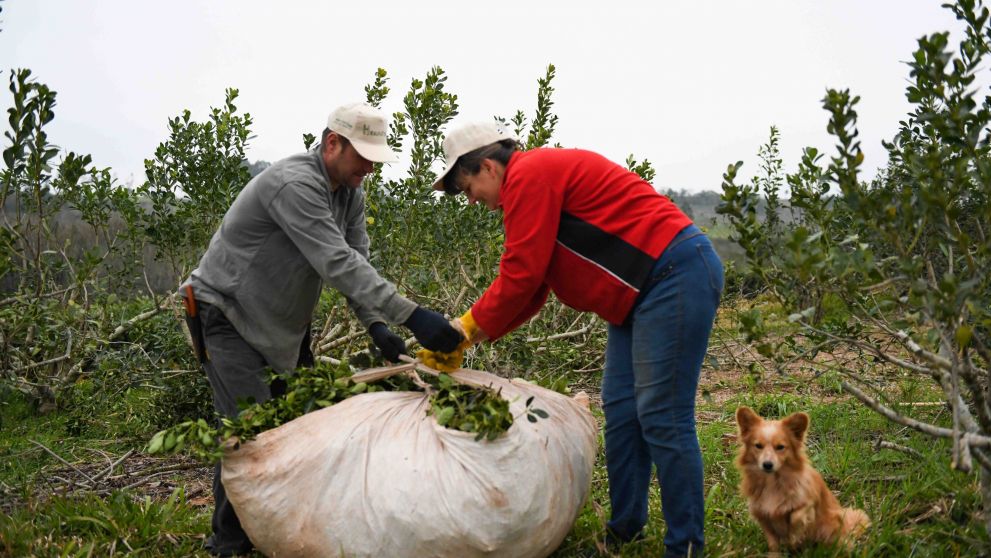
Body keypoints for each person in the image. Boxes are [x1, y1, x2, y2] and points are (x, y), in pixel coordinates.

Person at [423, 121, 723, 557]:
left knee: (662, 414)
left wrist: (464, 327)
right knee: (621, 410)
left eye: (468, 187)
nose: (472, 200)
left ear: (488, 166)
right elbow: (534, 285)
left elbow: (521, 273)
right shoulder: (531, 184)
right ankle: (625, 529)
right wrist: (470, 337)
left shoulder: (530, 174)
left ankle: (687, 546)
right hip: (637, 296)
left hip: (673, 274)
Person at [179, 102, 463, 557]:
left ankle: (278, 526)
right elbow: (334, 261)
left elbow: (358, 261)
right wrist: (411, 315)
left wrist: (376, 325)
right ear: (333, 143)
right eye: (363, 156)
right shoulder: (295, 184)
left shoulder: (349, 192)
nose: (369, 167)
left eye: (374, 158)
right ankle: (229, 543)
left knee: (293, 426)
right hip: (226, 314)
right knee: (250, 431)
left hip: (281, 325)